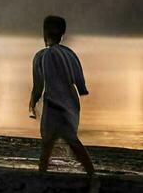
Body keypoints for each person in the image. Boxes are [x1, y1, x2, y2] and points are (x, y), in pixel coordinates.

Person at [29, 15, 95, 178]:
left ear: (44, 32)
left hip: (53, 105)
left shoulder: (42, 56)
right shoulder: (69, 54)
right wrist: (81, 89)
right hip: (70, 104)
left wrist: (33, 103)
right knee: (71, 140)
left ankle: (42, 174)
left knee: (48, 143)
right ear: (62, 33)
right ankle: (91, 173)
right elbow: (80, 83)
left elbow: (38, 85)